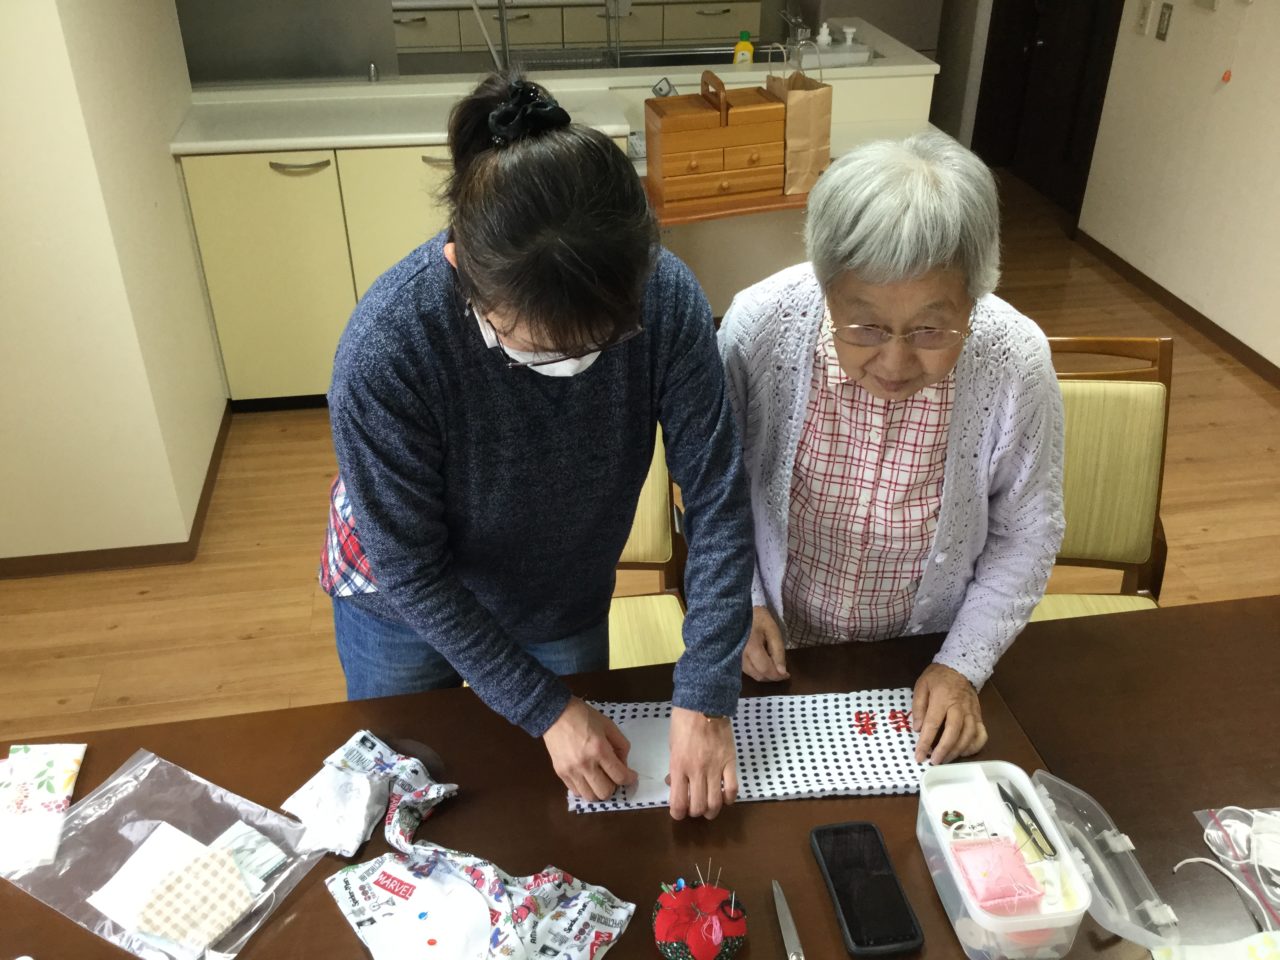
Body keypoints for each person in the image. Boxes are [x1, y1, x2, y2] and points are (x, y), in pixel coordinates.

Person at [320, 72, 753, 819]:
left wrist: (707, 692)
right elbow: (411, 567)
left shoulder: (664, 296)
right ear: (461, 270)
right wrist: (545, 707)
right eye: (537, 350)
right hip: (400, 600)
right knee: (406, 792)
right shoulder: (388, 346)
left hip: (562, 586)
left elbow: (716, 495)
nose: (573, 367)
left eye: (601, 341)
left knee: (570, 803)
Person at [718, 132, 1065, 765]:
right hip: (775, 650)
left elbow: (1026, 532)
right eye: (866, 326)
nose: (896, 363)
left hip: (925, 659)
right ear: (826, 287)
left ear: (975, 296)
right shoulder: (759, 329)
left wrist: (961, 664)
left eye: (932, 328)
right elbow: (716, 493)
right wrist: (743, 604)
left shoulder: (1015, 361)